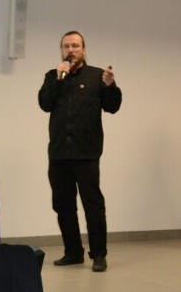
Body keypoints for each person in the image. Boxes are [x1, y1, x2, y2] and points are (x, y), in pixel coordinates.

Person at [38, 30, 122, 272]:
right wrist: (58, 78)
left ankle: (98, 254)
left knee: (92, 204)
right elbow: (44, 104)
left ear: (84, 50)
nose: (71, 50)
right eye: (66, 46)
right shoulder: (53, 76)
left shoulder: (97, 76)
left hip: (86, 152)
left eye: (75, 45)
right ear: (61, 51)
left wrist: (111, 86)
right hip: (59, 153)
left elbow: (112, 107)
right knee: (63, 205)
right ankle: (73, 252)